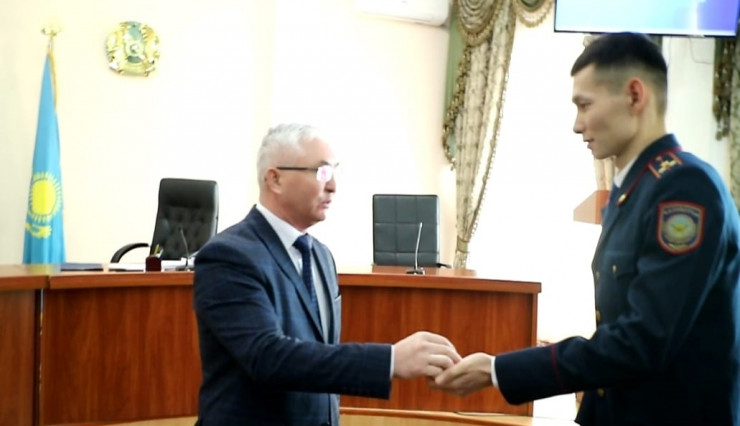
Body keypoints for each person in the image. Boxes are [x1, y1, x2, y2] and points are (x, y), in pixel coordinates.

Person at [433, 32, 740, 425]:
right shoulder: (633, 189)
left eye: (585, 105)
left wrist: (498, 370)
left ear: (634, 95)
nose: (577, 125)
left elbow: (642, 342)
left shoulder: (684, 189)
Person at [193, 123, 460, 426]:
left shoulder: (320, 256)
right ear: (275, 179)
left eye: (335, 171)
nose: (333, 185)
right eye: (321, 172)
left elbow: (320, 354)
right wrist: (389, 361)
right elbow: (267, 357)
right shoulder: (229, 256)